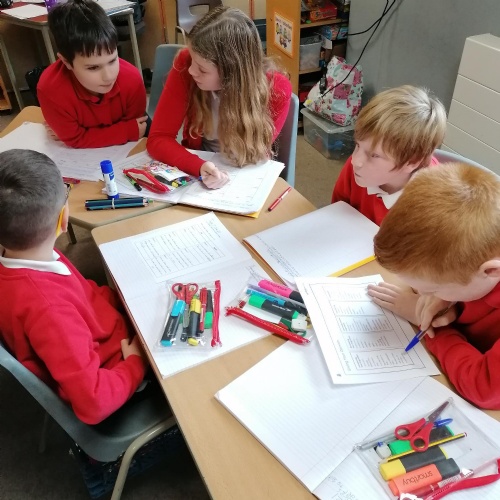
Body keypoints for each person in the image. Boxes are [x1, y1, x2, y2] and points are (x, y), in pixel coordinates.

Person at [0, 149, 151, 424]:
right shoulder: (49, 310)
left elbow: (84, 295)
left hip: (105, 340)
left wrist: (126, 297)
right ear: (63, 219)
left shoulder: (30, 257)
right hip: (117, 373)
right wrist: (136, 364)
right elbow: (94, 403)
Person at [372, 162, 500, 409]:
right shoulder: (474, 260)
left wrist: (435, 330)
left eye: (432, 290)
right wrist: (446, 300)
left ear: (491, 271)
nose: (421, 294)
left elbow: (485, 388)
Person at [147, 6, 292, 189]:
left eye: (202, 69)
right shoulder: (186, 63)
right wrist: (197, 166)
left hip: (244, 171)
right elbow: (158, 138)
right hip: (201, 167)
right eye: (192, 60)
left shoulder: (276, 89)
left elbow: (255, 156)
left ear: (231, 73)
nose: (191, 71)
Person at [37, 0, 148, 148]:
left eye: (112, 60)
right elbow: (74, 139)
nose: (108, 76)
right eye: (93, 68)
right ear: (66, 62)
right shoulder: (50, 89)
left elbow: (138, 129)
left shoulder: (132, 79)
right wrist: (125, 131)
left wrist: (80, 134)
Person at [332, 85, 447, 225]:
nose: (355, 160)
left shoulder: (434, 208)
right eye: (357, 145)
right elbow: (335, 215)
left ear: (412, 162)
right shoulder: (357, 169)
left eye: (374, 155)